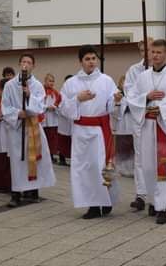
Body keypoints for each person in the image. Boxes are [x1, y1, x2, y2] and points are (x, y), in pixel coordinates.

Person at [126, 39, 166, 224]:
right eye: (153, 52)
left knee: (164, 166)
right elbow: (132, 98)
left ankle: (162, 208)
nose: (155, 55)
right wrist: (147, 97)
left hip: (164, 127)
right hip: (146, 126)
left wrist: (163, 110)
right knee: (149, 165)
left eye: (159, 52)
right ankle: (153, 200)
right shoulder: (143, 77)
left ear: (165, 54)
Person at [60, 45, 121, 219]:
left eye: (94, 58)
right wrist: (78, 99)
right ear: (80, 62)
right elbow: (63, 107)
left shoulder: (106, 80)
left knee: (100, 166)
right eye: (87, 59)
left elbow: (112, 104)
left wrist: (116, 100)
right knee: (84, 168)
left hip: (99, 132)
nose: (91, 62)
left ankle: (106, 201)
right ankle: (92, 205)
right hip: (80, 130)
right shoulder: (71, 83)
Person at [1, 54, 56, 207]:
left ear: (33, 66)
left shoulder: (37, 85)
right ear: (19, 64)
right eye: (23, 62)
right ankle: (16, 193)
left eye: (29, 62)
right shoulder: (10, 85)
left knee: (34, 158)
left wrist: (29, 96)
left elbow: (40, 105)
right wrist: (18, 113)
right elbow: (5, 105)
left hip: (32, 126)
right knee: (17, 160)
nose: (26, 64)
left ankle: (32, 190)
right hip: (17, 127)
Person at [122, 38, 153, 211]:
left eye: (149, 50)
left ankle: (157, 194)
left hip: (158, 120)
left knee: (155, 157)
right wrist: (146, 97)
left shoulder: (164, 71)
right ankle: (141, 194)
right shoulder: (134, 70)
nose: (146, 53)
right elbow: (130, 94)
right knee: (140, 157)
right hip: (141, 118)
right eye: (143, 50)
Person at [111, 75, 134, 176]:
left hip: (131, 124)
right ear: (120, 83)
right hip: (121, 123)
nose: (126, 85)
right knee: (120, 146)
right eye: (124, 82)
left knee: (130, 146)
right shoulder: (117, 93)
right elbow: (114, 109)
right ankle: (119, 167)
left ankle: (129, 168)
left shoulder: (133, 95)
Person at [43, 73, 62, 162]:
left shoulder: (56, 93)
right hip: (44, 119)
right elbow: (38, 105)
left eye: (53, 81)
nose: (51, 83)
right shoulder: (41, 91)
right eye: (49, 81)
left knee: (52, 139)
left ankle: (51, 154)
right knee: (45, 138)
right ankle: (46, 155)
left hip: (53, 119)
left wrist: (56, 107)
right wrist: (46, 107)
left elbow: (59, 104)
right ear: (45, 81)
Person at [56, 74, 74, 166]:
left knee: (72, 141)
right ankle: (62, 158)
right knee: (63, 140)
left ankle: (72, 160)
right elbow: (58, 105)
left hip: (72, 120)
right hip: (64, 120)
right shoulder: (61, 93)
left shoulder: (76, 92)